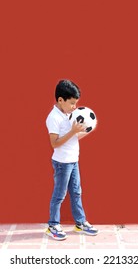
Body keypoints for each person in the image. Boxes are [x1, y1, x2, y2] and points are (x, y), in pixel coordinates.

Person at [45, 79, 98, 240]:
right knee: (59, 195)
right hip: (62, 163)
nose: (75, 106)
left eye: (76, 103)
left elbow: (73, 138)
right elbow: (55, 144)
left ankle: (80, 223)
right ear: (60, 100)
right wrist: (72, 131)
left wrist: (88, 129)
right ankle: (53, 225)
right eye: (72, 103)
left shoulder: (69, 114)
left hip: (73, 160)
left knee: (76, 192)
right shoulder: (53, 118)